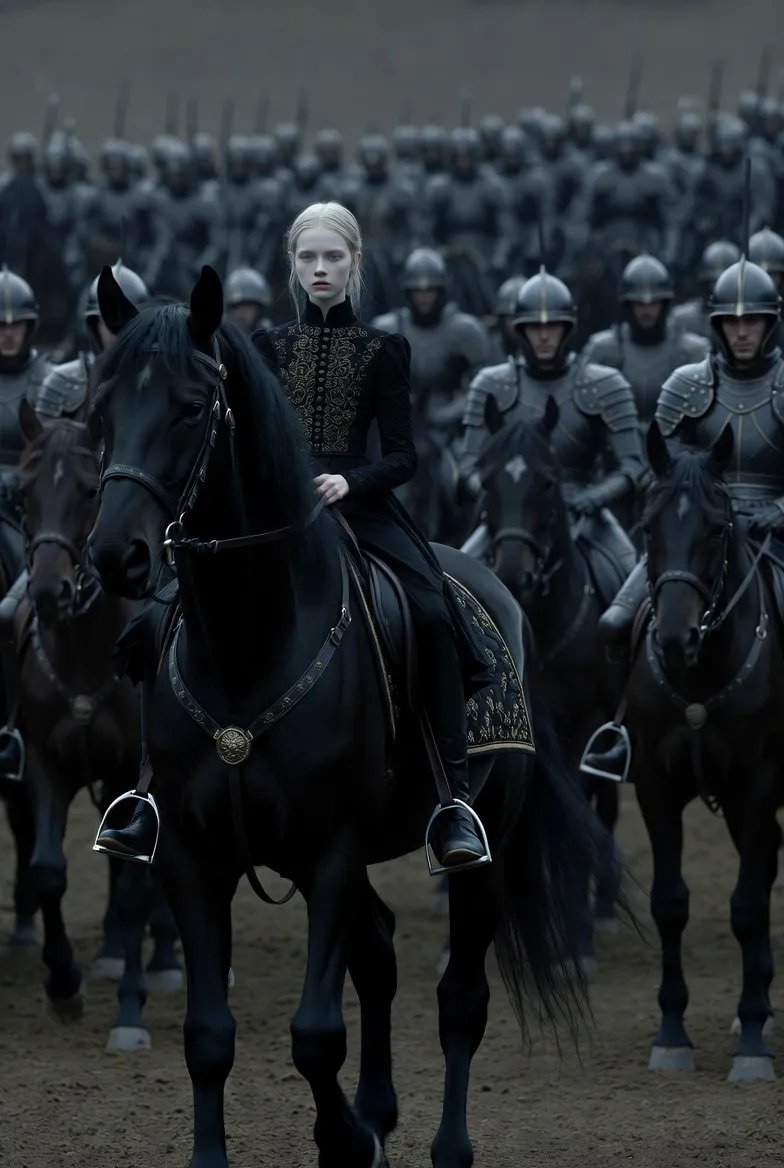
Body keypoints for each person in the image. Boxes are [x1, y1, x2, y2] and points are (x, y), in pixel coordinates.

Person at [98, 201, 490, 872]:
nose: (320, 268)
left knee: (431, 613)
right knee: (156, 620)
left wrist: (349, 482)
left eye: (333, 256)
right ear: (292, 265)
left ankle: (453, 800)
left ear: (354, 263)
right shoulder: (265, 348)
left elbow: (404, 455)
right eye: (308, 257)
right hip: (273, 518)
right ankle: (146, 791)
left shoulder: (384, 349)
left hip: (361, 509)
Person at [584, 257, 784, 777]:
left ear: (769, 323)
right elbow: (664, 469)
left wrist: (779, 509)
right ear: (717, 325)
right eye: (732, 321)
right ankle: (621, 730)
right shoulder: (687, 384)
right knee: (614, 623)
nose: (743, 331)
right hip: (696, 534)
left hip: (774, 532)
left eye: (753, 320)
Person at [458, 268, 643, 577]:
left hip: (584, 509)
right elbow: (467, 465)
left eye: (552, 326)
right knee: (451, 583)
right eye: (535, 327)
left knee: (631, 577)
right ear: (520, 330)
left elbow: (633, 466)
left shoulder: (604, 384)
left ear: (567, 329)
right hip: (510, 517)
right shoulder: (491, 384)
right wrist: (502, 494)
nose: (544, 336)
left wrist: (595, 497)